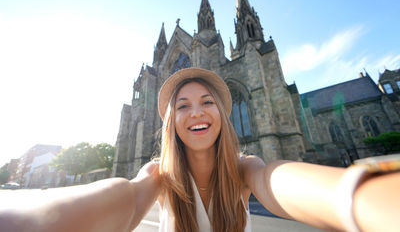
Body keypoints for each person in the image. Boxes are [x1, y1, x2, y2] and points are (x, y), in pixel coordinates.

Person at [1, 68, 399, 232]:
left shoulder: (245, 168)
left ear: (223, 114)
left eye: (207, 101)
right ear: (171, 122)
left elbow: (280, 181)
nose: (196, 112)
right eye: (182, 105)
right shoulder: (159, 175)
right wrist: (26, 220)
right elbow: (122, 197)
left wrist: (363, 198)